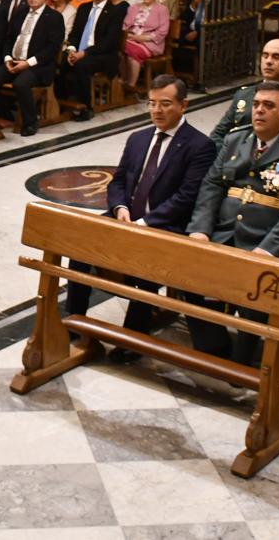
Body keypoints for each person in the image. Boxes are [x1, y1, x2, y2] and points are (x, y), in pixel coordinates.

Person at [69, 75, 216, 361]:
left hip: (163, 225)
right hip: (126, 217)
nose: (157, 111)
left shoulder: (199, 146)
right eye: (152, 103)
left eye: (165, 104)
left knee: (146, 263)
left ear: (183, 105)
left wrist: (144, 224)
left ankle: (133, 337)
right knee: (81, 244)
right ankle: (74, 320)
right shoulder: (138, 139)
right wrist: (120, 209)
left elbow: (186, 197)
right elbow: (118, 182)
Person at [185, 81, 279, 378]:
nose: (259, 110)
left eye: (268, 106)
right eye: (256, 104)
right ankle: (218, 351)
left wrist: (268, 249)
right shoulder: (236, 140)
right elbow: (211, 186)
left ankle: (243, 359)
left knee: (260, 296)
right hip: (224, 236)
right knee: (188, 279)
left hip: (268, 243)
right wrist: (200, 230)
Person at [0, 0, 65, 137]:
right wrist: (7, 58)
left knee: (21, 83)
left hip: (38, 65)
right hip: (14, 61)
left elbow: (52, 48)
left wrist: (28, 63)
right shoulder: (21, 12)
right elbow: (9, 38)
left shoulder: (54, 17)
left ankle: (30, 122)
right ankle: (2, 116)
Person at [210, 39, 279, 141]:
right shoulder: (243, 95)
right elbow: (218, 135)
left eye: (276, 57)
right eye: (265, 56)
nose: (268, 61)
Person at [63, 0, 126, 121]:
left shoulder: (114, 12)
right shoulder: (84, 8)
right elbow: (75, 34)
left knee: (81, 65)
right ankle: (64, 102)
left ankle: (86, 107)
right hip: (81, 52)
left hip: (103, 55)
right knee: (60, 62)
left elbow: (109, 42)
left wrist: (83, 53)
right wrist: (71, 49)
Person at [119, 0, 170, 90]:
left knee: (128, 50)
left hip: (150, 44)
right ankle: (123, 82)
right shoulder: (133, 8)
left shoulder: (162, 10)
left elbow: (162, 32)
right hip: (130, 40)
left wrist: (139, 38)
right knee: (119, 48)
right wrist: (128, 36)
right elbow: (125, 26)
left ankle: (130, 85)